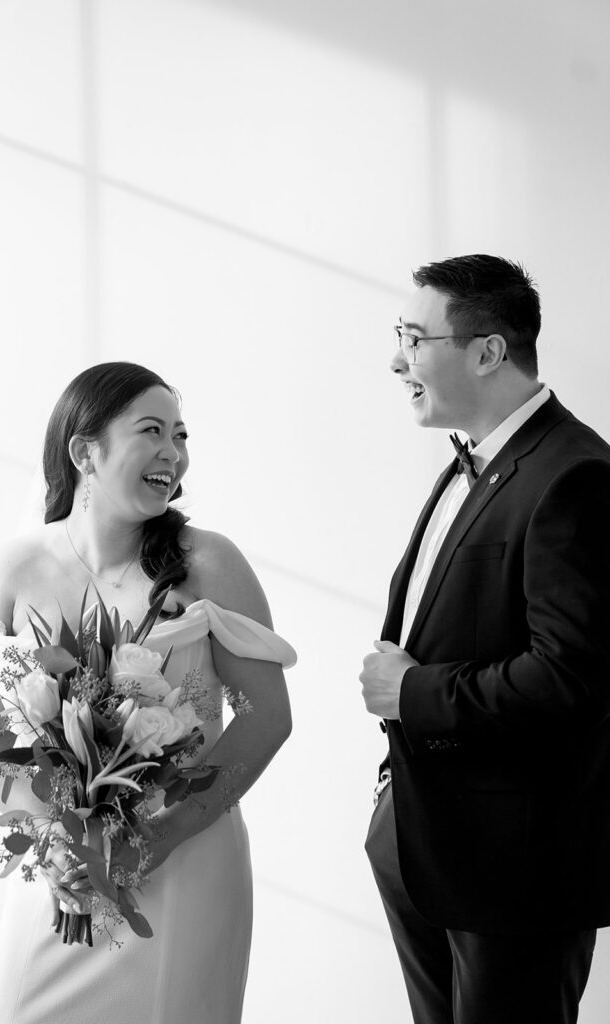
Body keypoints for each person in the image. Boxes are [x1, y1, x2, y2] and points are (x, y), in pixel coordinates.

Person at [0, 361, 295, 1024]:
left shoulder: (210, 562)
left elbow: (266, 718)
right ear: (85, 451)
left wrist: (159, 837)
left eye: (181, 435)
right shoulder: (15, 567)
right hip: (59, 870)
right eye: (152, 431)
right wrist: (53, 841)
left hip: (183, 860)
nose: (174, 453)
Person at [360, 255, 610, 1024]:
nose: (396, 359)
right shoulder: (468, 464)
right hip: (420, 840)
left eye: (413, 336)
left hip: (514, 869)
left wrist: (412, 693)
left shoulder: (574, 475)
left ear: (487, 351)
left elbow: (569, 678)